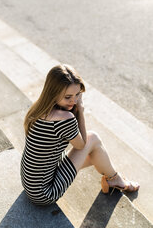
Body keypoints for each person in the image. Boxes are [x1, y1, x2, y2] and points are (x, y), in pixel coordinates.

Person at [20, 64, 140, 205]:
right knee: (93, 139)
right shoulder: (64, 118)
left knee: (95, 153)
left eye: (78, 95)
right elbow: (81, 144)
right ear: (53, 93)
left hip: (30, 184)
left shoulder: (39, 109)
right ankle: (114, 179)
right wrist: (81, 111)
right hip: (45, 193)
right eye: (68, 97)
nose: (74, 101)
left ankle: (113, 178)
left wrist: (72, 104)